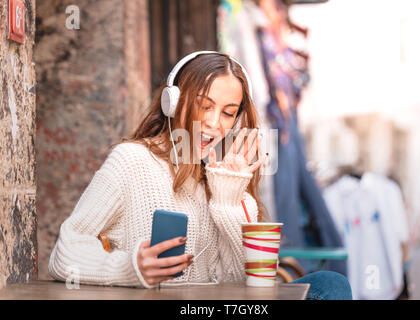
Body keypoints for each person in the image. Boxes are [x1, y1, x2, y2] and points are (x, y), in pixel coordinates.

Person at [48, 51, 352, 300]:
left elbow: (249, 288)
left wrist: (228, 199)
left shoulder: (231, 180)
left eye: (228, 112)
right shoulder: (132, 161)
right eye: (204, 105)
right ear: (174, 101)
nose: (213, 122)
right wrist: (131, 267)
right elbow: (64, 253)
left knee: (330, 284)